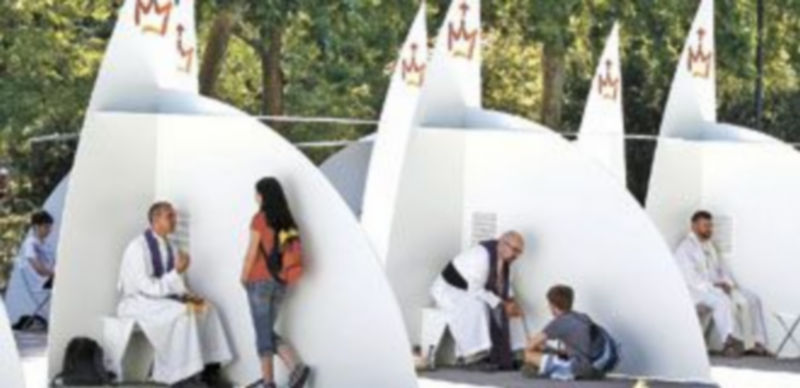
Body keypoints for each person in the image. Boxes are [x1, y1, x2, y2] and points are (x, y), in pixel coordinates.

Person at [117, 202, 232, 388]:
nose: (175, 220)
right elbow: (147, 287)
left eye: (174, 216)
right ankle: (183, 376)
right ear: (155, 219)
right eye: (170, 216)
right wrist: (176, 273)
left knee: (207, 308)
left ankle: (210, 368)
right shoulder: (138, 247)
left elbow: (176, 283)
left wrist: (188, 294)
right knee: (182, 314)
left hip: (160, 299)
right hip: (137, 302)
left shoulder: (171, 246)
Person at [240, 178, 310, 388]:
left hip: (258, 281)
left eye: (256, 193)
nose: (255, 197)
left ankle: (269, 383)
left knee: (263, 334)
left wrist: (243, 276)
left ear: (262, 195)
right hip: (281, 282)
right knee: (267, 331)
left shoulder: (259, 219)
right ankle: (296, 369)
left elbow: (252, 252)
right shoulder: (287, 220)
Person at [674, 210, 769, 357]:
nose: (709, 229)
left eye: (710, 226)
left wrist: (728, 283)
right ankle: (729, 342)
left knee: (752, 298)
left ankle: (757, 343)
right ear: (693, 226)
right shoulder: (685, 249)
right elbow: (690, 277)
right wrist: (715, 286)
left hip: (718, 287)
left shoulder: (711, 246)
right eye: (705, 225)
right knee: (722, 301)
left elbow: (722, 269)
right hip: (698, 292)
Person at [429, 231, 526, 370]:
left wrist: (511, 302)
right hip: (449, 290)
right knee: (477, 306)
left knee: (513, 310)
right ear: (503, 243)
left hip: (472, 290)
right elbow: (475, 290)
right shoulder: (480, 256)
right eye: (515, 250)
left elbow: (506, 285)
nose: (516, 255)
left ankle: (514, 352)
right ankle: (474, 355)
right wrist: (501, 303)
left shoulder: (506, 262)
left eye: (519, 252)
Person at [522, 285, 608, 380]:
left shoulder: (559, 323)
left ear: (553, 305)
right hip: (598, 367)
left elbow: (530, 345)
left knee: (528, 355)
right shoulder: (583, 317)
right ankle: (551, 369)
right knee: (553, 352)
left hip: (579, 368)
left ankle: (552, 371)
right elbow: (583, 346)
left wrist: (538, 346)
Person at [7, 210, 56, 330]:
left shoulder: (46, 244)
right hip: (42, 282)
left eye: (50, 227)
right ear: (36, 226)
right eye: (46, 227)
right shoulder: (31, 243)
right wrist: (56, 274)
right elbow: (38, 268)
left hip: (49, 278)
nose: (49, 230)